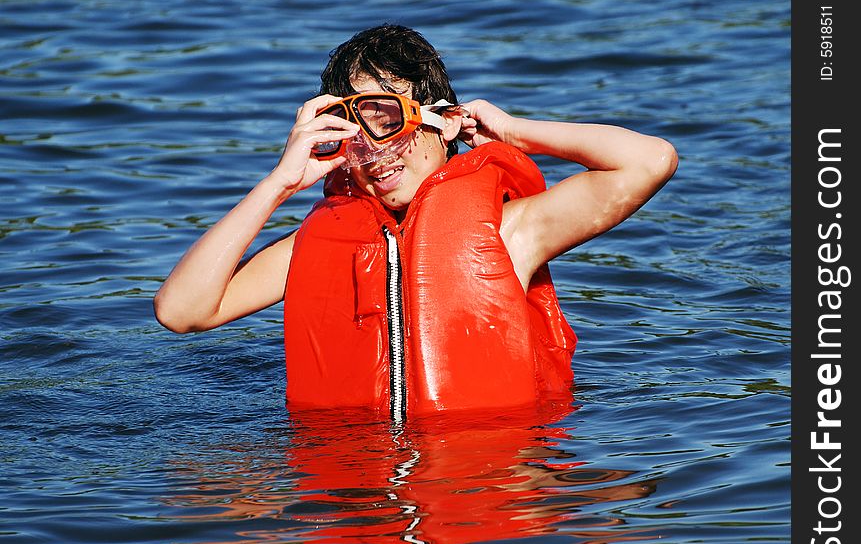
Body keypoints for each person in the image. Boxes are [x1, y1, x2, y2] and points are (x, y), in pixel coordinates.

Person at [154, 24, 677, 421]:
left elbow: (649, 160)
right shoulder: (314, 245)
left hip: (487, 481)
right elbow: (182, 312)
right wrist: (279, 185)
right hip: (357, 498)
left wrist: (516, 132)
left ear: (441, 122)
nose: (372, 150)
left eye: (385, 120)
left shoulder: (511, 231)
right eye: (346, 130)